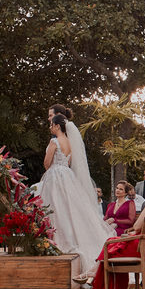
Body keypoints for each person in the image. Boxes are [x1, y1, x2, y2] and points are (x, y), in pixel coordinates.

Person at [42, 115, 114, 277]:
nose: (50, 127)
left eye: (52, 124)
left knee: (56, 210)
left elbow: (47, 163)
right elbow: (68, 162)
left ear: (57, 126)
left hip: (55, 176)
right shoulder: (70, 142)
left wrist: (51, 166)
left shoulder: (54, 142)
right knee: (70, 210)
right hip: (67, 176)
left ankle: (59, 242)